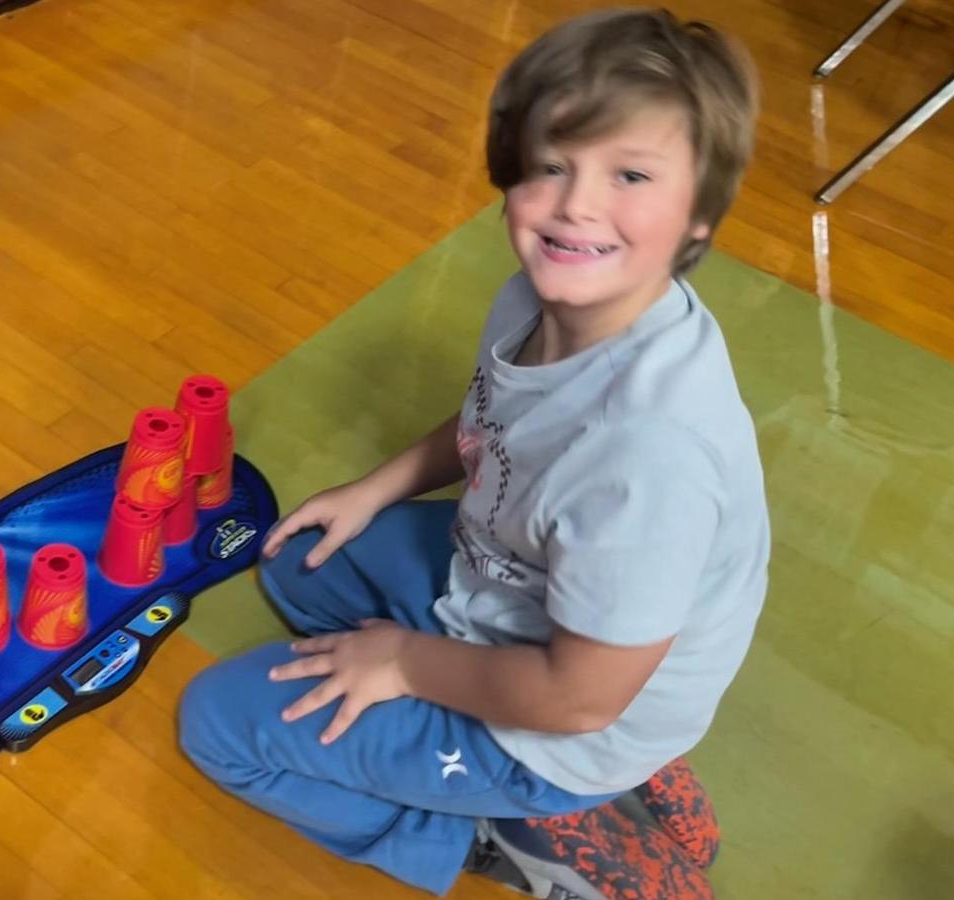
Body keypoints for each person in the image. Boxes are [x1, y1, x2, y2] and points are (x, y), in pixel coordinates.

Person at [177, 8, 768, 896]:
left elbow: (579, 698)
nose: (576, 205)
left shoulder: (648, 459)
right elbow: (496, 418)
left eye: (631, 174)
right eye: (552, 165)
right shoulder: (546, 295)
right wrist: (375, 489)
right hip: (520, 601)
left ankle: (499, 830)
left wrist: (404, 663)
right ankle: (599, 730)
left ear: (698, 221)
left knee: (219, 725)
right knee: (299, 565)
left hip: (573, 715)